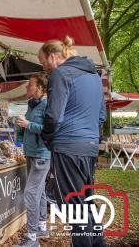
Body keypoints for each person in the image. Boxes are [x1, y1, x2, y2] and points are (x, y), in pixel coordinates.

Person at [38, 36, 106, 246]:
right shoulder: (94, 76)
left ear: (52, 57)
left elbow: (53, 116)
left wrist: (48, 138)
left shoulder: (61, 73)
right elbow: (101, 115)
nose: (44, 68)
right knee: (86, 203)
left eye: (43, 62)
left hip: (68, 146)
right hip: (89, 146)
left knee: (74, 208)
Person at [13, 73, 51, 247]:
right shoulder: (32, 105)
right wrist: (21, 129)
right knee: (40, 191)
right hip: (31, 153)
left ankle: (32, 238)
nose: (27, 88)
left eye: (30, 85)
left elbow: (49, 130)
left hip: (42, 155)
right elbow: (29, 126)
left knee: (30, 193)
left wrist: (28, 124)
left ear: (40, 88)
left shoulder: (47, 105)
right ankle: (42, 226)